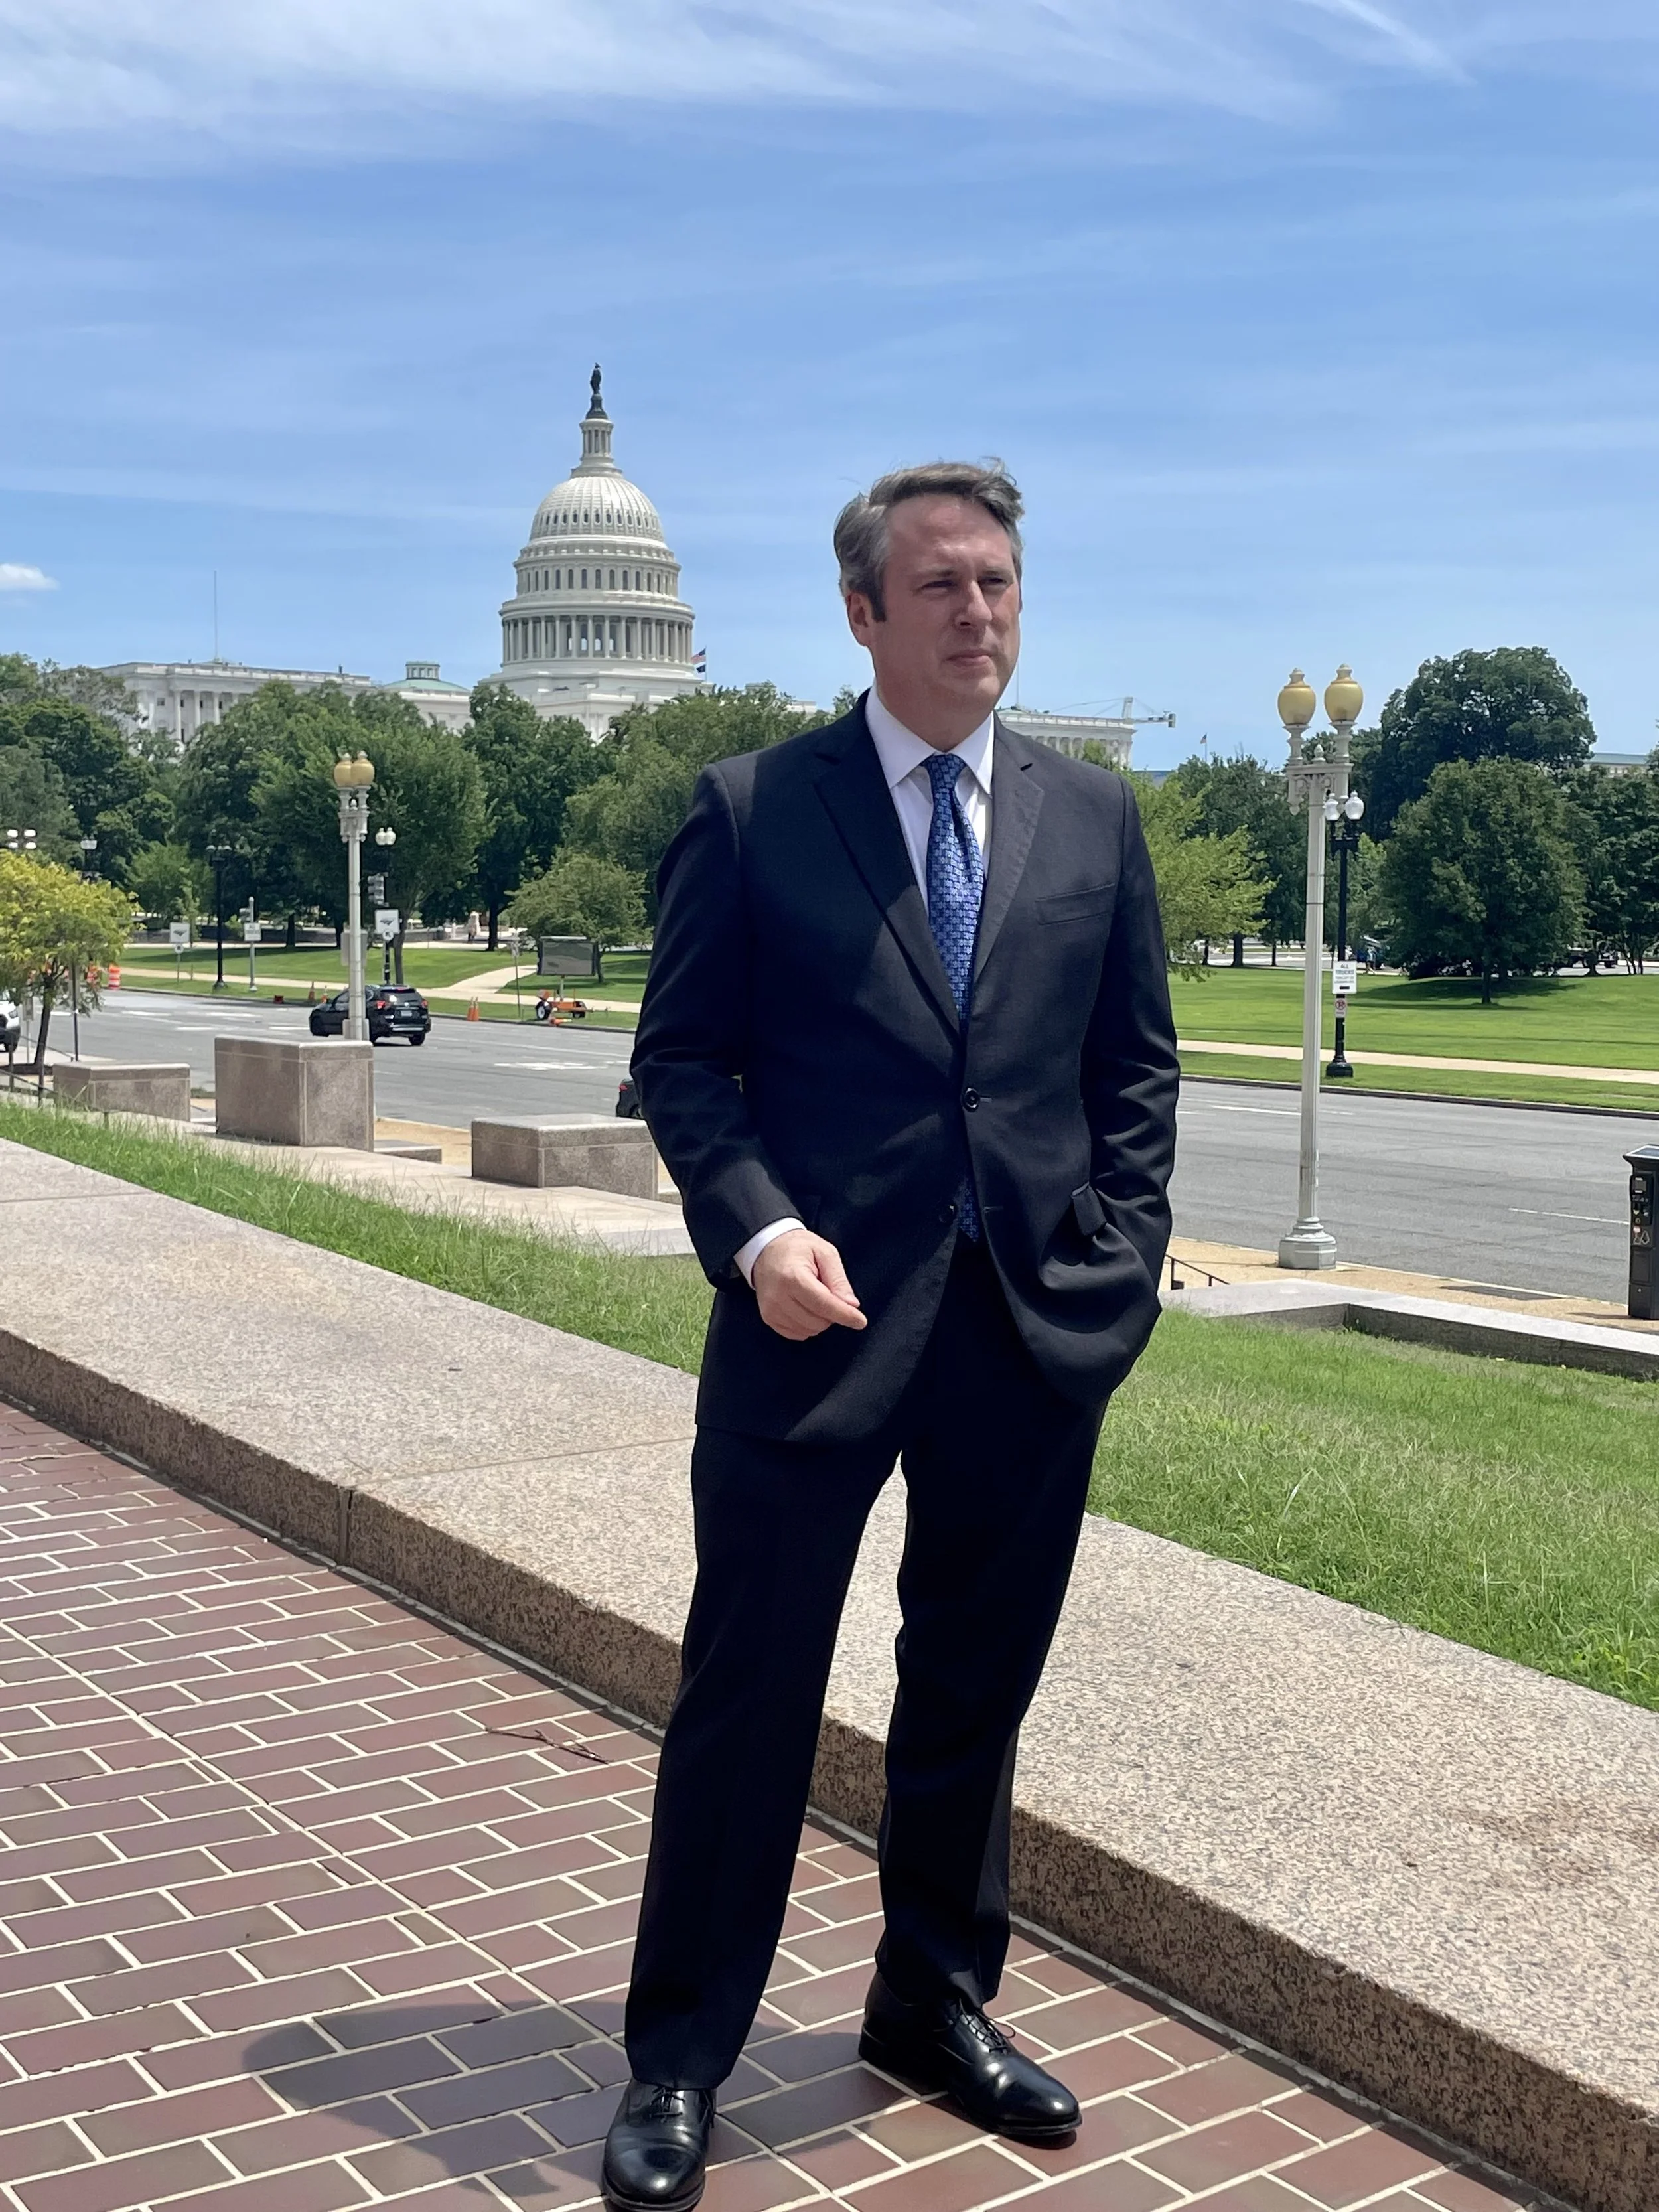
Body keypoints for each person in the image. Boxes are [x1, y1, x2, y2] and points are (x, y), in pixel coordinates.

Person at [602, 461, 1179, 2212]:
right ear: (862, 611)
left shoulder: (1089, 819)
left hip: (1025, 1329)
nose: (977, 611)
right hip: (808, 1326)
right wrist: (757, 1228)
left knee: (970, 1694)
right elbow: (683, 1065)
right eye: (937, 585)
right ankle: (679, 2056)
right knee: (750, 1691)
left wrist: (1119, 1259)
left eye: (996, 579)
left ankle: (931, 2000)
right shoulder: (755, 804)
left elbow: (1132, 1072)